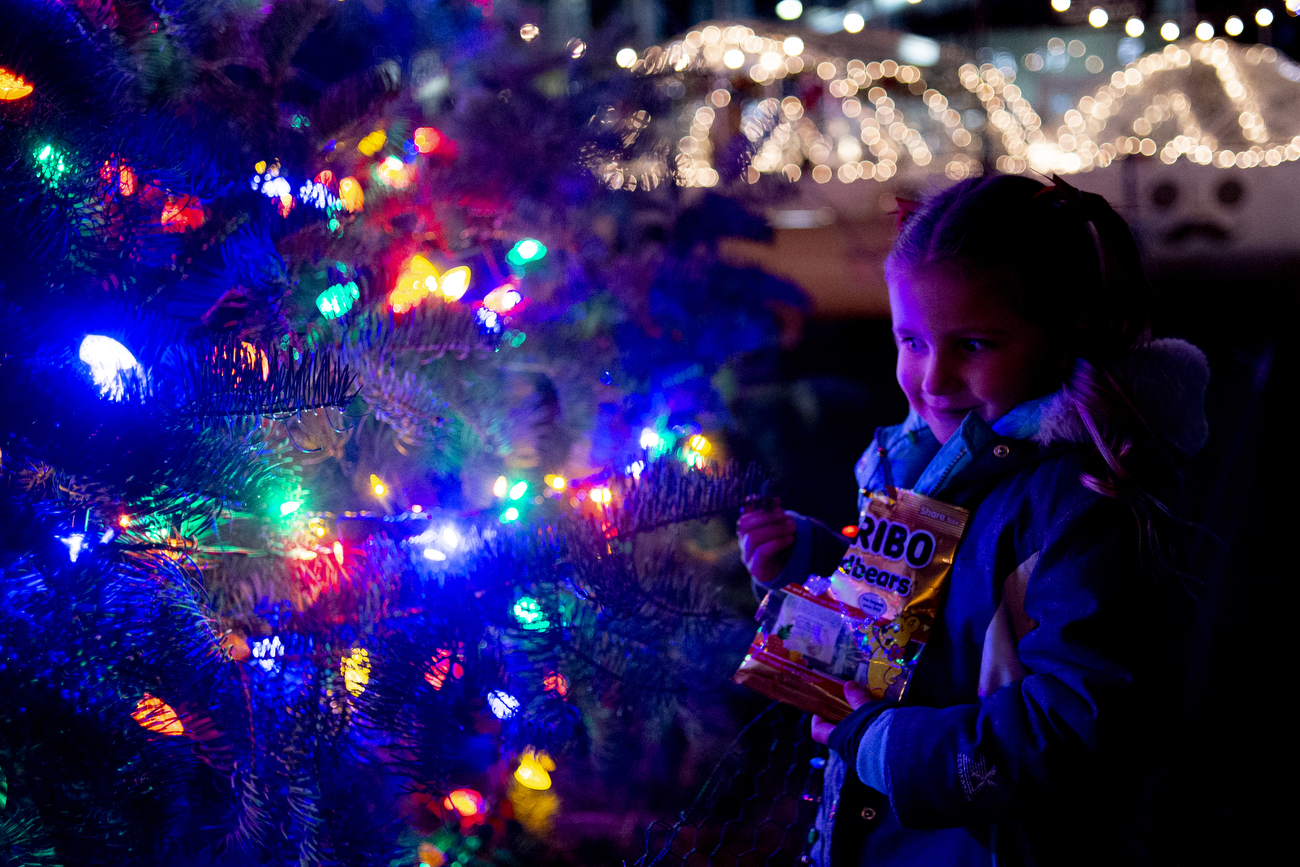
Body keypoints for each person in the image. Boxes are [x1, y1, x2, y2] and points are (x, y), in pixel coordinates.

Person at [737, 173, 1208, 866]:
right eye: (913, 340)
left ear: (1065, 330)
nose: (931, 378)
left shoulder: (1084, 497)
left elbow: (1077, 720)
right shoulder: (927, 464)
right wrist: (804, 565)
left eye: (974, 344)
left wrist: (882, 746)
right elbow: (891, 631)